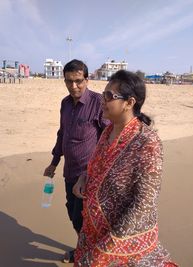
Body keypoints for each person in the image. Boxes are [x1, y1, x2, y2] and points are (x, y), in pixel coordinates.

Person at [73, 70, 178, 266]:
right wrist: (84, 177)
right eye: (103, 94)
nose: (102, 100)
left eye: (109, 96)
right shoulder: (107, 131)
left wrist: (107, 246)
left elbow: (144, 205)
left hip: (123, 243)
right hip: (92, 232)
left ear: (129, 103)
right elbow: (98, 167)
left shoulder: (147, 142)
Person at [43, 59, 109, 263]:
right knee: (72, 214)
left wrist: (96, 171)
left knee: (84, 218)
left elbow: (109, 137)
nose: (74, 86)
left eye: (78, 81)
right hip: (69, 172)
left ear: (87, 80)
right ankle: (85, 247)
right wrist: (54, 162)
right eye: (69, 81)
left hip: (89, 176)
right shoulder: (64, 103)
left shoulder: (98, 103)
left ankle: (88, 253)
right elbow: (62, 134)